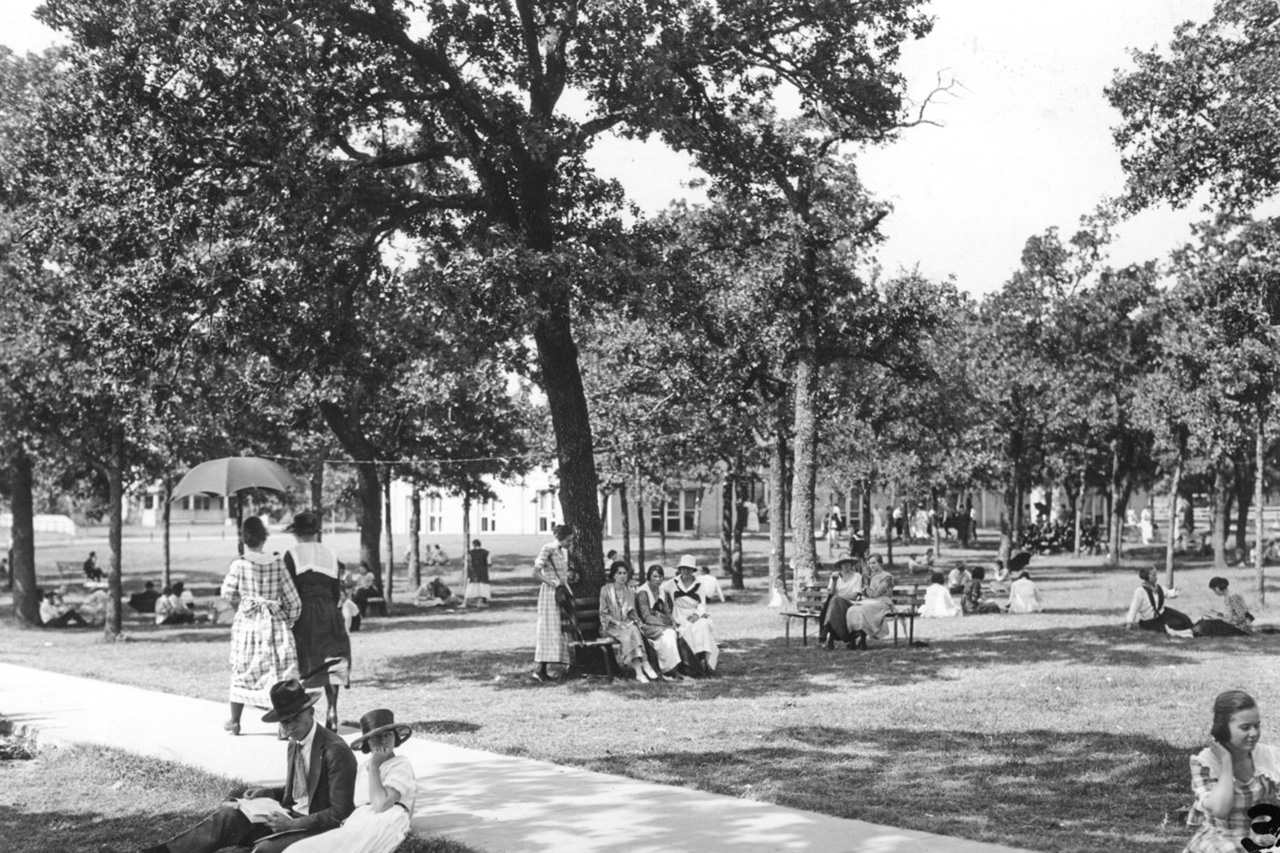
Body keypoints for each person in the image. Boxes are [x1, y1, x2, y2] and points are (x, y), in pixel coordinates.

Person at [117, 679, 357, 853]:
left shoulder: (335, 750)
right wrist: (270, 793)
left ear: (311, 712)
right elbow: (306, 787)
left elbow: (340, 813)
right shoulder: (296, 742)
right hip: (287, 817)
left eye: (296, 719)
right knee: (227, 818)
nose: (291, 727)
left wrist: (293, 824)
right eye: (285, 722)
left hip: (317, 828)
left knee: (264, 850)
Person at [287, 708, 416, 853]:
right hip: (361, 820)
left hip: (386, 820)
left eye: (388, 735)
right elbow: (358, 803)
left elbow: (381, 805)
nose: (383, 741)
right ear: (367, 742)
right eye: (375, 737)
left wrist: (374, 767)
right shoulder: (364, 767)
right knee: (302, 849)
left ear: (396, 737)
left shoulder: (400, 764)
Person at [221, 516, 302, 736]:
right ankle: (283, 725)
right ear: (263, 539)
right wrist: (288, 620)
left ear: (244, 539)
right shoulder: (277, 564)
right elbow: (294, 601)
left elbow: (226, 593)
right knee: (278, 671)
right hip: (274, 624)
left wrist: (244, 597)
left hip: (248, 624)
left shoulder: (239, 564)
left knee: (243, 668)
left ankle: (235, 721)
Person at [1182, 690, 1280, 853]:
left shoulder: (1267, 756)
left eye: (1257, 725)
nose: (1254, 733)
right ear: (1223, 730)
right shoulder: (1206, 762)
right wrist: (1226, 762)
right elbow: (1220, 810)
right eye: (1245, 727)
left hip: (1260, 839)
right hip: (1221, 841)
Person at [284, 512, 352, 733]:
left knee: (304, 661)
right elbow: (335, 590)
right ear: (314, 533)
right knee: (332, 658)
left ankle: (299, 715)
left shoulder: (292, 554)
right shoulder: (330, 554)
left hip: (304, 611)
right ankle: (332, 709)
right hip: (329, 610)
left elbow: (290, 589)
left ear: (296, 533)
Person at [599, 561, 660, 682]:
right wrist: (617, 623)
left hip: (626, 625)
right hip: (610, 627)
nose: (622, 576)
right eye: (619, 573)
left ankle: (639, 672)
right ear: (614, 575)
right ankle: (644, 665)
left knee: (634, 630)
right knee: (630, 633)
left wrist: (638, 622)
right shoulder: (605, 590)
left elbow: (632, 614)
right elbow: (603, 614)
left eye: (624, 573)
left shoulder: (630, 591)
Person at [662, 555, 719, 677]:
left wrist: (696, 615)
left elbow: (702, 605)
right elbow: (660, 590)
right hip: (679, 615)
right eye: (683, 568)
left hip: (694, 614)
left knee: (702, 626)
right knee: (685, 631)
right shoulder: (673, 583)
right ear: (680, 569)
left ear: (693, 570)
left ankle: (703, 660)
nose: (685, 571)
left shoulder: (699, 584)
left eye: (688, 569)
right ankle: (690, 664)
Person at [531, 523, 573, 683]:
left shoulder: (563, 552)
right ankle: (540, 670)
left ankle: (564, 665)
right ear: (559, 538)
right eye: (568, 540)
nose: (570, 544)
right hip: (550, 594)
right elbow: (535, 572)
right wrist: (553, 583)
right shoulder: (548, 548)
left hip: (562, 592)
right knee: (548, 629)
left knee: (562, 628)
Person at [635, 564, 684, 680]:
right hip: (647, 626)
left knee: (678, 632)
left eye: (660, 577)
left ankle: (675, 668)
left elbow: (667, 611)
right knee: (669, 634)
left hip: (662, 624)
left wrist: (672, 622)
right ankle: (668, 669)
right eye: (655, 577)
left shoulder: (662, 591)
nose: (658, 580)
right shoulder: (643, 592)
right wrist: (667, 625)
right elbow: (646, 617)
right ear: (649, 577)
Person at [1125, 565, 1194, 637]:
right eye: (1154, 575)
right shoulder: (1140, 592)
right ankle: (1187, 633)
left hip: (1163, 613)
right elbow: (1133, 608)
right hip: (1150, 620)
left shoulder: (1158, 588)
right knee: (1174, 625)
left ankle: (1193, 628)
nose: (1156, 577)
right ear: (1147, 576)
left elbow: (1169, 593)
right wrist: (1129, 623)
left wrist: (1175, 590)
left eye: (1156, 575)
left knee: (1184, 618)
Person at [844, 555, 895, 650]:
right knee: (852, 609)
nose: (872, 565)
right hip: (870, 601)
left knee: (863, 610)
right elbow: (867, 593)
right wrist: (866, 588)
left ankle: (863, 640)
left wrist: (866, 588)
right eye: (870, 563)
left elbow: (877, 593)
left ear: (880, 564)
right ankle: (852, 640)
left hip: (883, 602)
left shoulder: (886, 576)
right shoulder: (871, 576)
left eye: (874, 563)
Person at [819, 558, 866, 649]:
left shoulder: (857, 576)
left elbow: (854, 595)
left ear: (851, 564)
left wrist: (839, 598)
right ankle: (828, 629)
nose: (846, 565)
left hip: (850, 604)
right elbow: (831, 593)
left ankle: (826, 628)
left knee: (835, 601)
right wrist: (834, 581)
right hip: (835, 606)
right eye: (843, 563)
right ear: (840, 565)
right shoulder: (835, 576)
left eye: (848, 562)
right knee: (834, 603)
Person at [462, 539, 491, 608]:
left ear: (473, 545)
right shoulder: (486, 553)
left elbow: (467, 563)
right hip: (483, 573)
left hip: (473, 573)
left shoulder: (470, 553)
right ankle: (480, 602)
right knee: (482, 588)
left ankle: (465, 603)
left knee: (470, 588)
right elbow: (489, 563)